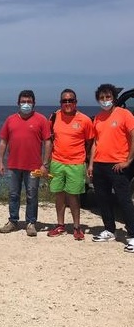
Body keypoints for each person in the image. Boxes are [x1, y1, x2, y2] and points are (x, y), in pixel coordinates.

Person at [0, 90, 52, 236]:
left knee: (32, 195)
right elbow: (3, 141)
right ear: (18, 103)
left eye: (29, 102)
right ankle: (13, 221)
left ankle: (31, 223)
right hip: (14, 165)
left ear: (33, 103)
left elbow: (48, 142)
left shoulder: (41, 120)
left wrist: (45, 164)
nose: (26, 104)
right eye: (23, 102)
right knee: (13, 194)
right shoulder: (10, 120)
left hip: (34, 166)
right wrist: (0, 162)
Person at [87, 83, 134, 251]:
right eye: (102, 98)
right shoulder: (98, 118)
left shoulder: (125, 114)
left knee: (123, 200)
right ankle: (109, 229)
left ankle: (133, 235)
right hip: (100, 165)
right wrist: (91, 164)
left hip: (118, 165)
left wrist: (128, 161)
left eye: (108, 97)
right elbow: (95, 143)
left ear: (114, 98)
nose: (105, 100)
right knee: (103, 199)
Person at [46, 89, 94, 240]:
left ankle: (77, 227)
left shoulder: (85, 120)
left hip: (76, 163)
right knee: (59, 194)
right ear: (60, 103)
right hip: (57, 162)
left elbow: (91, 142)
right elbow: (50, 140)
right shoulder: (54, 117)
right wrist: (45, 162)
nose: (67, 103)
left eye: (70, 100)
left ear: (76, 102)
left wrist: (87, 161)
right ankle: (60, 225)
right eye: (64, 101)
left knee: (74, 196)